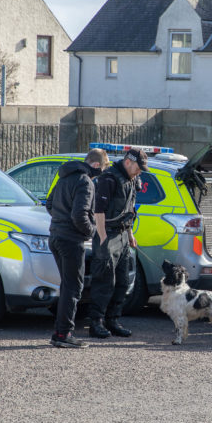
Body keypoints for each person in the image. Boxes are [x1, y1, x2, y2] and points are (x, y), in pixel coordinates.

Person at [46, 148, 109, 348]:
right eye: (104, 168)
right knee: (73, 288)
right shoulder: (85, 181)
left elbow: (49, 204)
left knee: (67, 285)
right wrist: (91, 231)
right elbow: (79, 215)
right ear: (97, 165)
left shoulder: (64, 177)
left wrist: (60, 221)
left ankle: (60, 332)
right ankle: (64, 334)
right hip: (71, 241)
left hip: (55, 236)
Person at [88, 148, 148, 339]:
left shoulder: (131, 179)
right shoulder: (109, 178)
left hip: (122, 235)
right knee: (104, 282)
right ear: (128, 162)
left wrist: (130, 234)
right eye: (138, 167)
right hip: (108, 235)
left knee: (122, 282)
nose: (140, 172)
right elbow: (99, 211)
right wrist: (103, 237)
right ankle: (96, 323)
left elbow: (129, 209)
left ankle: (112, 320)